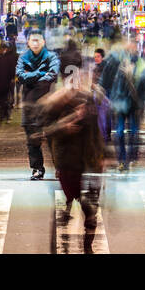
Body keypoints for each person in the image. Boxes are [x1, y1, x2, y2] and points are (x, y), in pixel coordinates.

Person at [36, 71, 105, 253]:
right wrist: (66, 125)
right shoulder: (56, 105)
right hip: (67, 162)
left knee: (90, 209)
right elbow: (47, 130)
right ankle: (65, 217)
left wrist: (103, 155)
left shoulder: (89, 102)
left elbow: (97, 133)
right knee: (74, 198)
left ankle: (88, 246)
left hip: (89, 161)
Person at [101, 42, 145, 172]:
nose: (131, 50)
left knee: (134, 133)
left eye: (133, 48)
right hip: (121, 103)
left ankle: (131, 157)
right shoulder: (120, 62)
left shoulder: (142, 64)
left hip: (135, 104)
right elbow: (111, 78)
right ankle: (122, 160)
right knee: (119, 132)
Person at [17, 32, 59, 180]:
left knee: (54, 139)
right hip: (29, 105)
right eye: (32, 40)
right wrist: (40, 73)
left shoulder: (51, 57)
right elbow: (21, 76)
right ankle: (37, 169)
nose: (35, 43)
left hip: (49, 104)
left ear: (43, 42)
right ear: (28, 42)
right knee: (32, 140)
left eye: (38, 40)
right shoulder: (23, 58)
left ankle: (59, 168)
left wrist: (32, 76)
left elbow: (52, 74)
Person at [0, 41, 18, 124]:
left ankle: (4, 115)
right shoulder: (6, 58)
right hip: (5, 82)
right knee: (4, 99)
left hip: (1, 82)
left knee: (3, 99)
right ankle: (5, 115)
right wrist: (12, 78)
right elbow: (11, 70)